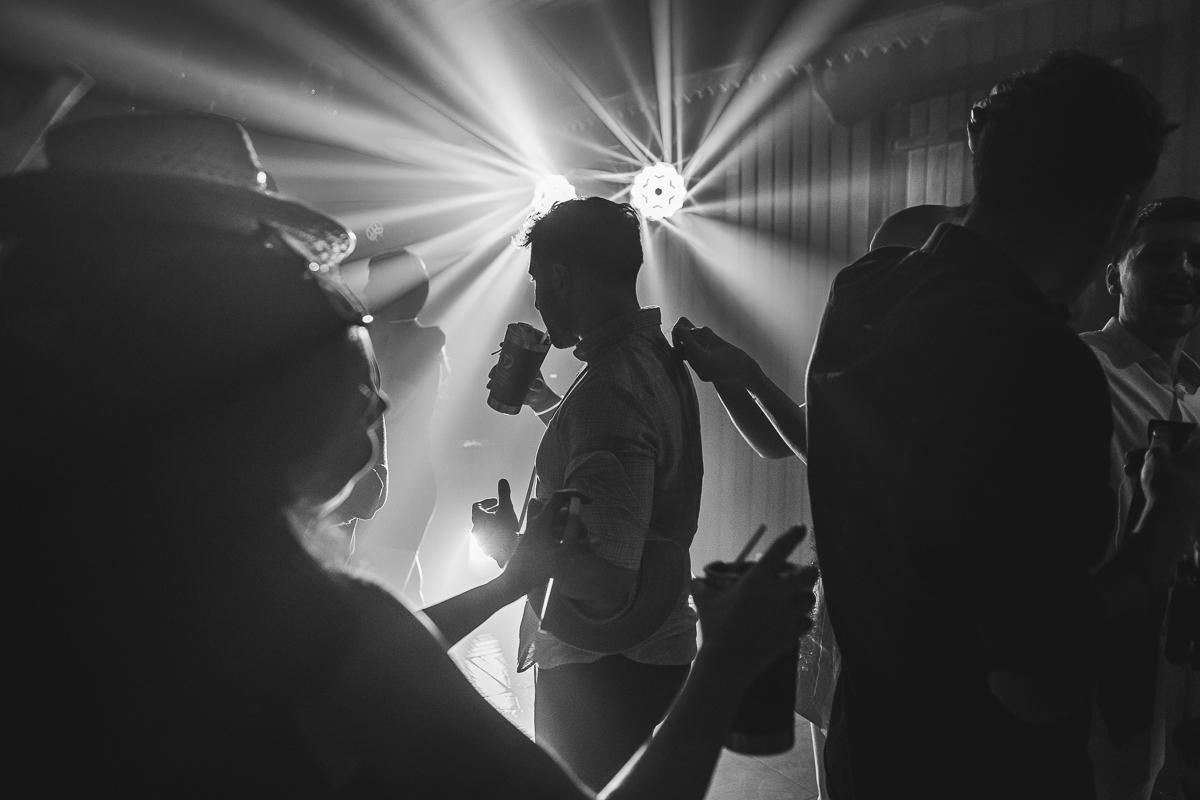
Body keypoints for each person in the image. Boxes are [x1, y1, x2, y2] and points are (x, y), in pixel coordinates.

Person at [3, 111, 818, 797]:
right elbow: (370, 648)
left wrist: (511, 581)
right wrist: (726, 662)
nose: (380, 401)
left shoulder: (65, 573)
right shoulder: (308, 619)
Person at [801, 51, 1199, 799]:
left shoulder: (861, 294)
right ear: (1118, 216)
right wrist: (1166, 530)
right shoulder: (1040, 362)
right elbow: (1038, 680)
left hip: (872, 756)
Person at [470, 197, 705, 790]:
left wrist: (508, 549)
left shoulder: (609, 387)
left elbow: (606, 580)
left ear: (559, 277)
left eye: (537, 282)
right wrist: (550, 405)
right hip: (648, 652)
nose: (536, 301)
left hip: (603, 667)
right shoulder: (647, 356)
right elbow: (623, 464)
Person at [1079, 195, 1200, 800]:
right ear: (1113, 274)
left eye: (1197, 256)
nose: (1184, 269)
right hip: (1099, 672)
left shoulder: (1197, 395)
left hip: (1181, 669)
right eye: (1159, 255)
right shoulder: (1079, 370)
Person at [351, 248, 446, 604]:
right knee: (406, 595)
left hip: (405, 486)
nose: (365, 290)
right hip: (384, 483)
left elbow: (388, 409)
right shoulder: (380, 337)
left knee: (383, 597)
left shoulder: (424, 341)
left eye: (373, 282)